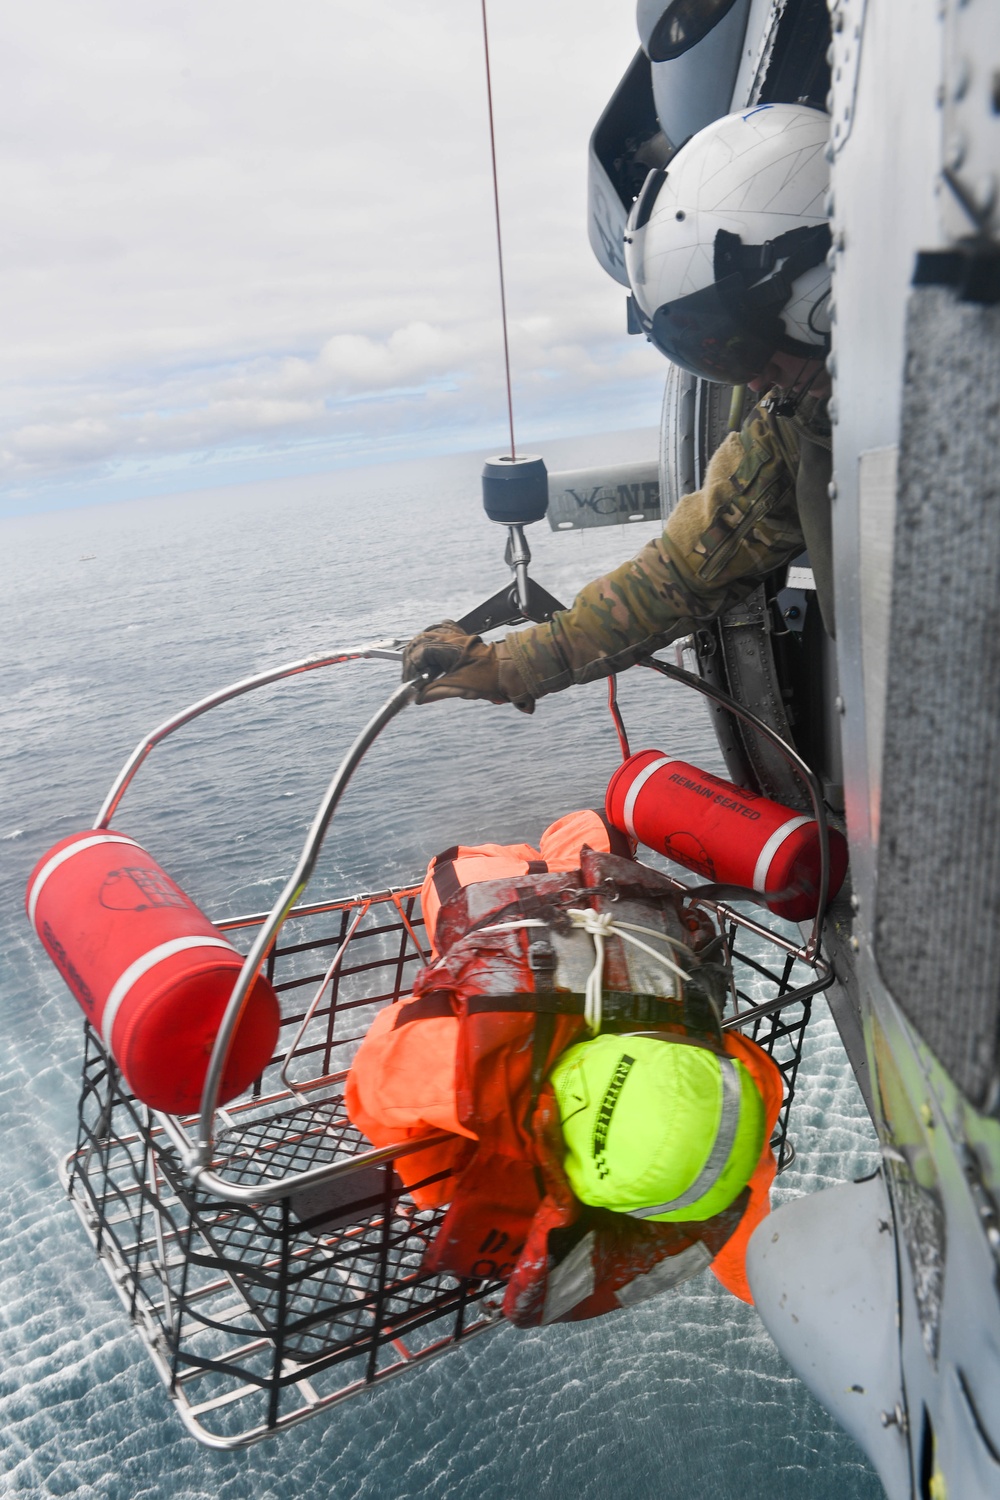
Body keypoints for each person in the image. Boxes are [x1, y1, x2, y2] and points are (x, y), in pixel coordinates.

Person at [401, 103, 835, 711]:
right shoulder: (803, 425)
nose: (760, 382)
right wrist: (511, 663)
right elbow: (686, 570)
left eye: (748, 345)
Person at [346, 811, 783, 1326]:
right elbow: (371, 1078)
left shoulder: (738, 1080)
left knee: (589, 844)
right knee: (454, 868)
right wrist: (434, 1185)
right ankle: (560, 846)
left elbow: (743, 1186)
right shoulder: (472, 1078)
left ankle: (587, 828)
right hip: (495, 904)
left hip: (612, 917)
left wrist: (763, 1287)